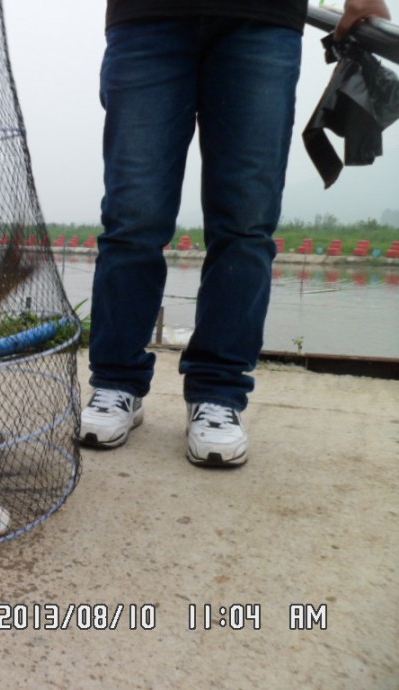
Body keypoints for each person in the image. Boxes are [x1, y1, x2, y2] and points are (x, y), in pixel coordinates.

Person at [81, 0, 391, 468]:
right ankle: (115, 381)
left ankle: (218, 392)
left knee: (247, 222)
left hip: (262, 17)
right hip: (145, 15)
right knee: (133, 217)